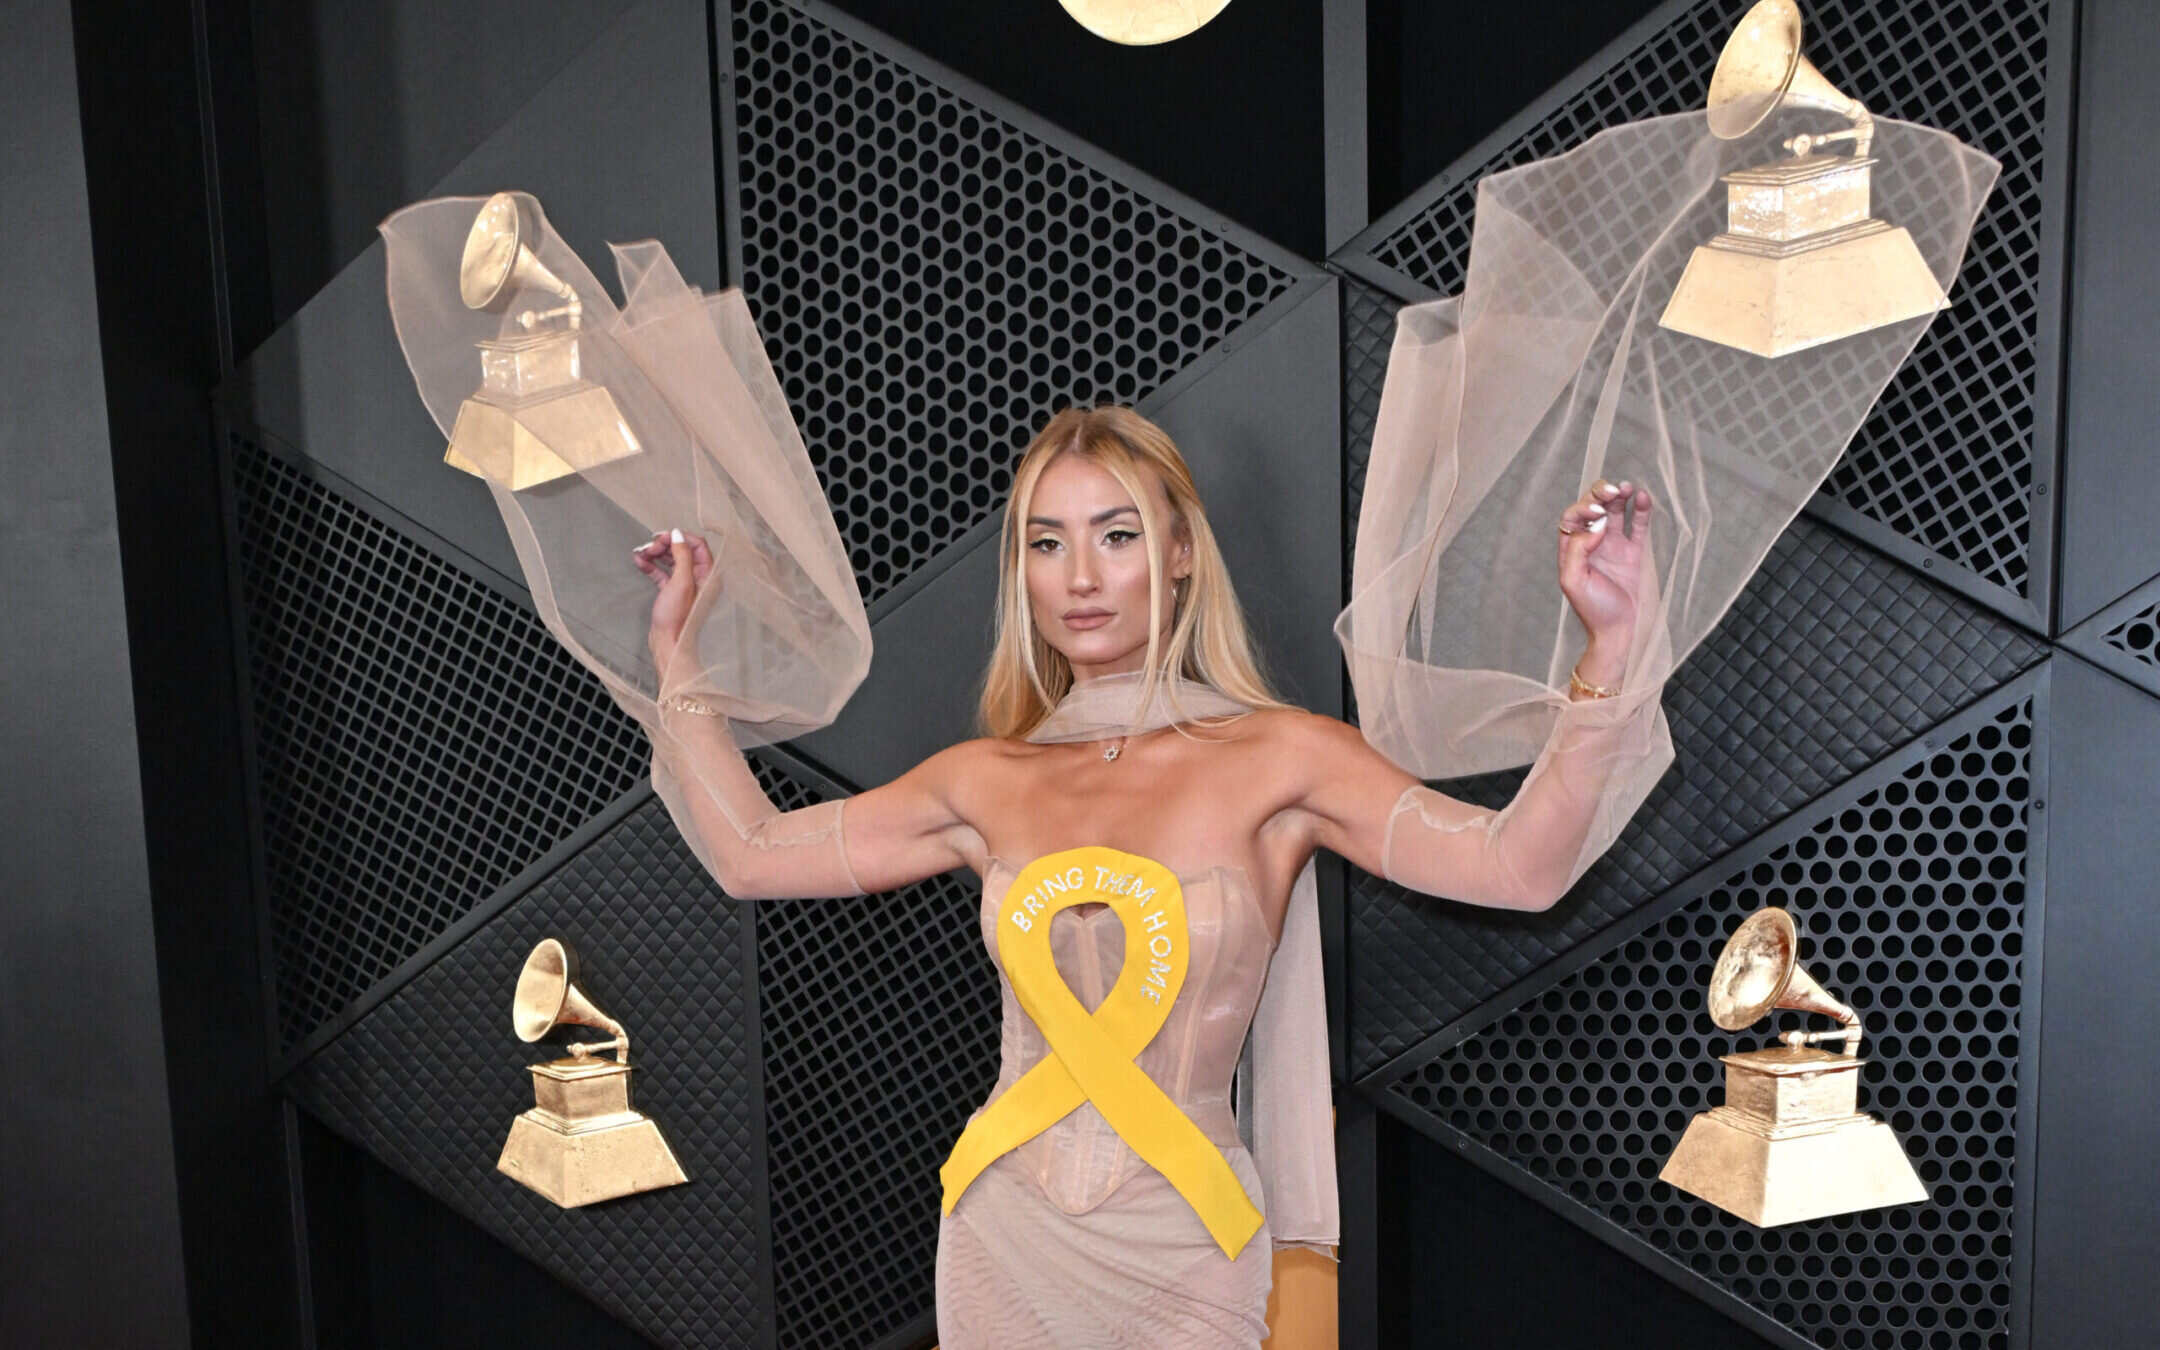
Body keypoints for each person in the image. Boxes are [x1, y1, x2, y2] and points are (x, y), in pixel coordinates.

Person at [627, 404, 1656, 1348]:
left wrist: (1608, 648)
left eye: (1116, 536)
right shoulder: (985, 779)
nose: (1080, 575)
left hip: (1189, 1248)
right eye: (1047, 541)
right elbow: (750, 852)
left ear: (1176, 555)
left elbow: (1519, 868)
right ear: (1021, 572)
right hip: (1003, 1239)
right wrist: (677, 660)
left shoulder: (1285, 758)